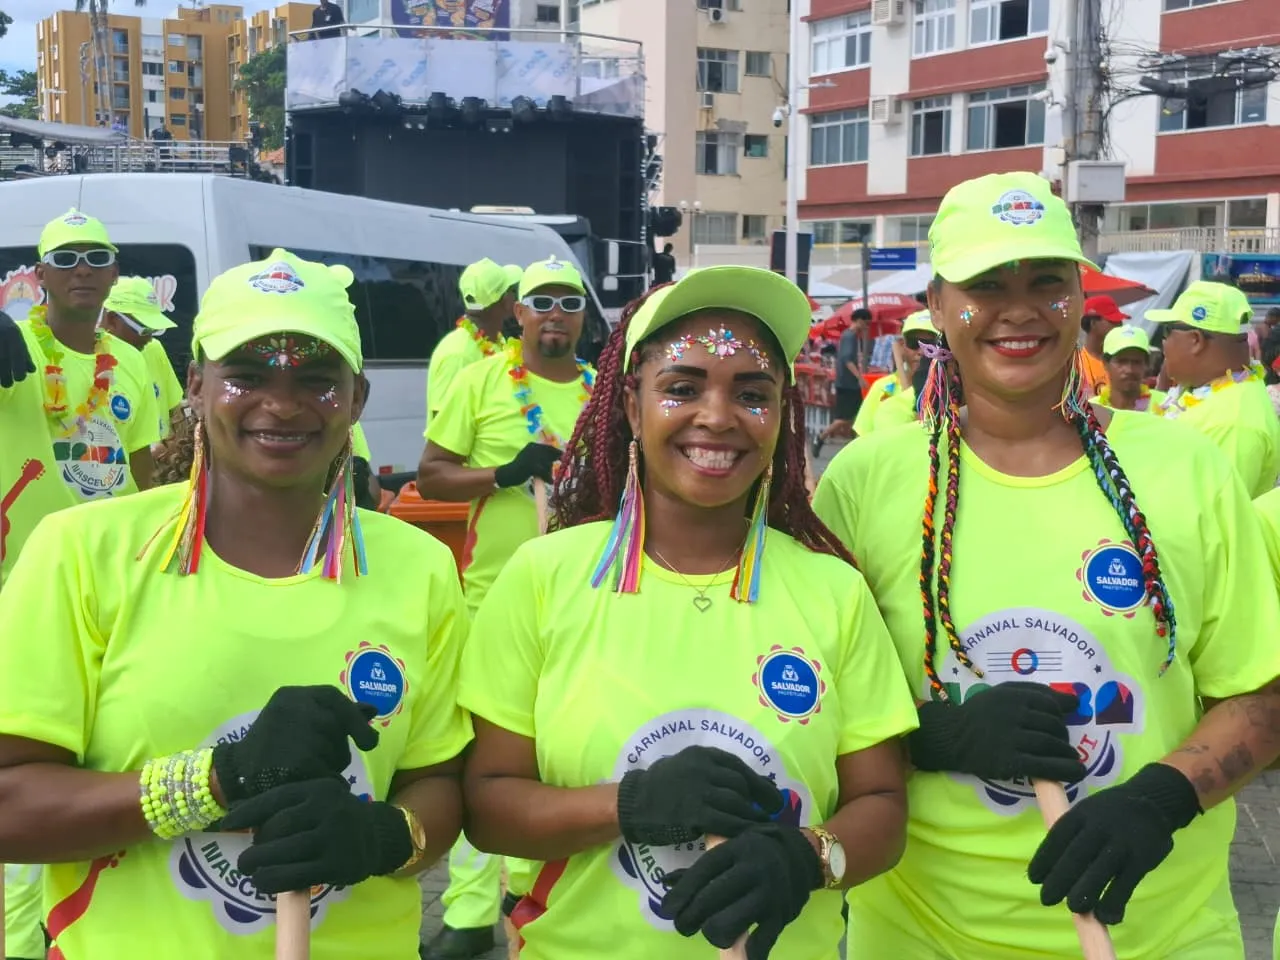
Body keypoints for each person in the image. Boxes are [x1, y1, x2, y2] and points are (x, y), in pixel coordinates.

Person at [813, 171, 1280, 960]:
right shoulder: (864, 480)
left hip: (1159, 936)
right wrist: (934, 735)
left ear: (1081, 298)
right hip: (922, 938)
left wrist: (1160, 799)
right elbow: (812, 710)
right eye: (986, 284)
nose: (1019, 309)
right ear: (936, 306)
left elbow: (1259, 692)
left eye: (1046, 282)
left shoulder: (1187, 470)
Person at [0, 248, 472, 959]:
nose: (281, 405)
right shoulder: (80, 551)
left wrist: (382, 837)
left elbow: (441, 783)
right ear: (194, 384)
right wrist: (223, 776)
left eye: (316, 380)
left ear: (356, 399)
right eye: (246, 376)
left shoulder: (420, 566)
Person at [458, 265, 917, 959]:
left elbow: (881, 806)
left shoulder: (835, 591)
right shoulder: (544, 577)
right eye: (682, 387)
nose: (718, 416)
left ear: (781, 419)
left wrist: (809, 857)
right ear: (631, 407)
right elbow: (487, 807)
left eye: (753, 394)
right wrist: (629, 805)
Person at [417, 256, 596, 959]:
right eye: (541, 301)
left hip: (584, 598)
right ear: (517, 313)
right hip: (491, 600)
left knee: (561, 749)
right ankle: (466, 913)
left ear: (583, 315)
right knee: (482, 756)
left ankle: (536, 893)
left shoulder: (600, 392)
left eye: (568, 301)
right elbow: (433, 472)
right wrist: (504, 473)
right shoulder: (480, 381)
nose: (555, 313)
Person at [0, 209, 160, 593]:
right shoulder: (11, 347)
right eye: (66, 259)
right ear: (40, 274)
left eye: (97, 258)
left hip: (106, 575)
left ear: (114, 274)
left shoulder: (132, 360)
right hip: (22, 576)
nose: (83, 270)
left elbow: (141, 472)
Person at [1151, 280, 1280, 496]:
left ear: (1195, 340)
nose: (1163, 343)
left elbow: (1203, 518)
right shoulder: (1219, 396)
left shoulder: (1232, 421)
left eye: (1167, 331)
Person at [426, 258, 516, 429]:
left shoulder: (499, 341)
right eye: (511, 290)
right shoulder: (458, 354)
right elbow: (444, 426)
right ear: (505, 301)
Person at [100, 275, 185, 440]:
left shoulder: (153, 349)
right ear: (112, 320)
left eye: (153, 330)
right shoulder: (89, 359)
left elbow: (176, 412)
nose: (149, 338)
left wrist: (172, 446)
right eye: (144, 330)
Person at [851, 309, 937, 436]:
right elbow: (861, 438)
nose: (921, 351)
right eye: (914, 343)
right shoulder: (882, 387)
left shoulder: (949, 392)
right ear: (903, 345)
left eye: (930, 344)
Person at [813, 308, 870, 455]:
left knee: (855, 415)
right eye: (866, 323)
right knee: (844, 418)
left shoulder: (849, 336)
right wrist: (860, 377)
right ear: (859, 320)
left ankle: (854, 447)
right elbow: (847, 360)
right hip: (847, 383)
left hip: (847, 382)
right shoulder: (849, 336)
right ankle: (820, 437)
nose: (867, 327)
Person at [1094, 325, 1165, 412]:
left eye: (1136, 362)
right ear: (1105, 363)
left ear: (1146, 364)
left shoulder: (1165, 406)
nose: (1129, 370)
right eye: (1122, 362)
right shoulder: (1090, 411)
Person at [1077, 294, 1128, 394]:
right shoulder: (1075, 365)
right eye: (1113, 320)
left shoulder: (1124, 364)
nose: (1120, 325)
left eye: (1120, 321)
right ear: (1093, 323)